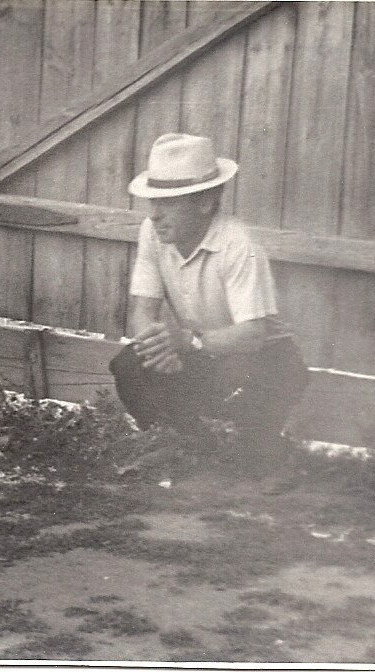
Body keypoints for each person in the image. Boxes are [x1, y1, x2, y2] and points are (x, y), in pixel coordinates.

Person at [109, 133, 308, 450]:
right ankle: (185, 447)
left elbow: (254, 334)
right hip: (203, 356)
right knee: (129, 365)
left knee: (252, 458)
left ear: (205, 202)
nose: (155, 214)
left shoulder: (238, 243)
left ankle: (258, 451)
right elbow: (142, 310)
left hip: (262, 360)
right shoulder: (153, 232)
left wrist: (188, 342)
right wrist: (158, 353)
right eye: (153, 201)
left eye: (168, 202)